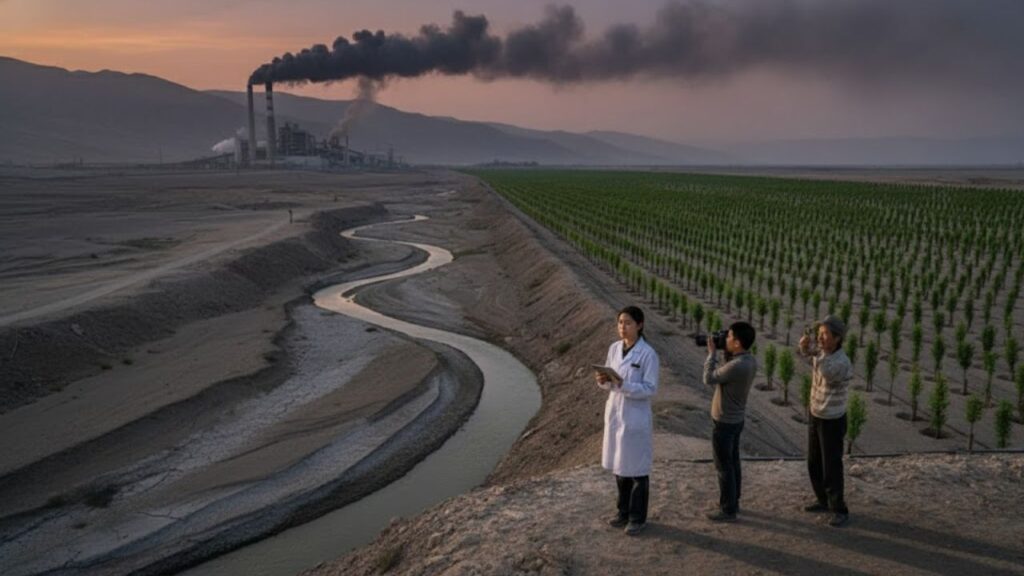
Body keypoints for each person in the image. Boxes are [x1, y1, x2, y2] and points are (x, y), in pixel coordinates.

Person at [595, 306, 660, 536]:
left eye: (628, 323)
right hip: (616, 413)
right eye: (620, 322)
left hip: (635, 417)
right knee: (619, 468)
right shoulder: (614, 348)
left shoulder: (648, 354)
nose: (623, 327)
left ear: (640, 325)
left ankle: (637, 518)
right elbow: (609, 384)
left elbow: (650, 389)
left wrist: (624, 385)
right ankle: (622, 512)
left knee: (637, 472)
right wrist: (603, 380)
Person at [798, 315, 853, 527]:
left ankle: (839, 508)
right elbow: (809, 356)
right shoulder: (822, 353)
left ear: (838, 338)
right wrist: (805, 348)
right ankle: (822, 500)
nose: (820, 338)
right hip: (816, 414)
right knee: (814, 461)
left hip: (832, 419)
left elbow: (826, 371)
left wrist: (813, 351)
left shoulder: (841, 362)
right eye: (819, 334)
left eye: (825, 334)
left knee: (831, 465)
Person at [703, 321, 758, 522]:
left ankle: (727, 509)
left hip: (724, 423)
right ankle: (734, 500)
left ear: (737, 342)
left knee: (723, 467)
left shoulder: (736, 366)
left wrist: (711, 354)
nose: (725, 339)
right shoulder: (750, 361)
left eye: (729, 337)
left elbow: (708, 378)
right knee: (733, 463)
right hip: (736, 420)